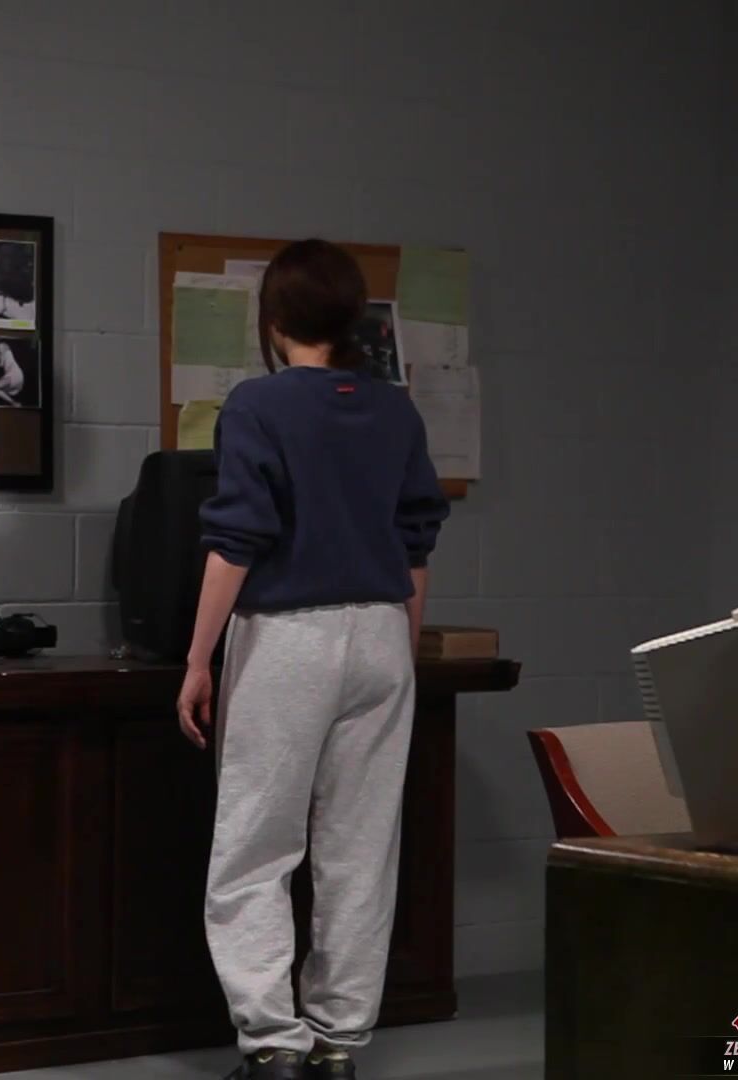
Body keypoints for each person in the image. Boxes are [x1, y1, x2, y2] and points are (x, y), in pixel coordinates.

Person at [176, 239, 448, 1080]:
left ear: (274, 318)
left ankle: (273, 1045)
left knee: (256, 846)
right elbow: (416, 544)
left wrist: (198, 660)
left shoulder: (258, 405)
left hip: (288, 639)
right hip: (383, 634)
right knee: (360, 849)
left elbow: (237, 541)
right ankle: (338, 1043)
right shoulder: (396, 411)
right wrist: (399, 652)